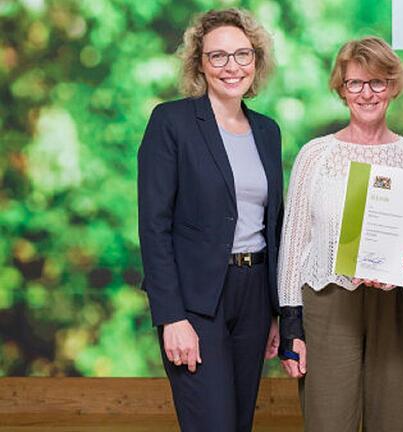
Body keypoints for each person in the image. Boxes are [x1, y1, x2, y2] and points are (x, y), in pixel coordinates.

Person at [277, 36, 403, 432]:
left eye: (377, 82)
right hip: (328, 303)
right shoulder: (316, 155)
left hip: (398, 305)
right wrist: (291, 327)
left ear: (393, 86)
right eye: (355, 83)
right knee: (329, 420)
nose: (367, 93)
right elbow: (293, 245)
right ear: (341, 89)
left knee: (395, 421)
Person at [137, 9, 282, 432]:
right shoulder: (172, 122)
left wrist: (275, 313)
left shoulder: (267, 131)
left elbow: (273, 223)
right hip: (197, 302)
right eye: (217, 56)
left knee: (237, 424)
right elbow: (154, 227)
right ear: (199, 62)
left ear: (256, 60)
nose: (231, 66)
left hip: (254, 297)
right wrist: (171, 317)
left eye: (241, 54)